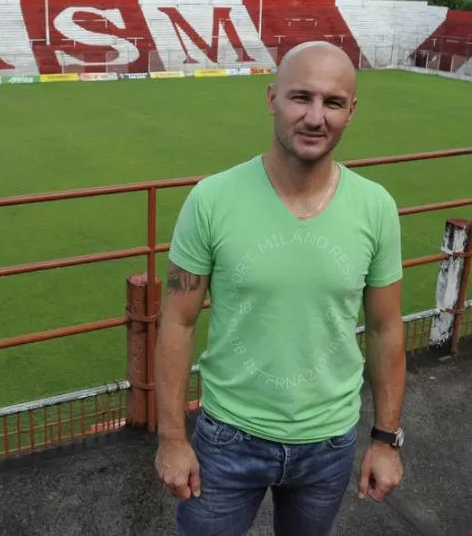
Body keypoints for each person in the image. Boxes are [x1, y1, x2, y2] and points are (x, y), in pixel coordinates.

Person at [153, 41, 407, 536]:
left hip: (329, 442)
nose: (315, 117)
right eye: (300, 98)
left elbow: (385, 328)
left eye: (332, 103)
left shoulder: (376, 207)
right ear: (272, 98)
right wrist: (171, 438)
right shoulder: (211, 200)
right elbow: (178, 320)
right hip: (227, 439)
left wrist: (385, 439)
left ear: (351, 112)